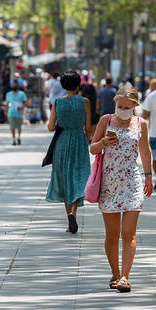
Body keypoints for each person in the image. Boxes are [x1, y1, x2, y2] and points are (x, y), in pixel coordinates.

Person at [91, 85, 153, 292]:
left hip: (132, 183)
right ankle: (115, 273)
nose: (123, 110)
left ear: (135, 106)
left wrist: (149, 176)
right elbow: (92, 148)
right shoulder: (106, 120)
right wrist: (103, 142)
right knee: (112, 234)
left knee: (129, 233)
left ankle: (125, 277)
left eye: (127, 107)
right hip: (109, 184)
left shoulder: (141, 123)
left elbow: (145, 152)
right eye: (120, 106)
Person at [46, 71, 92, 234]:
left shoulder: (57, 103)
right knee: (80, 176)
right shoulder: (85, 102)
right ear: (78, 84)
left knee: (65, 179)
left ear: (63, 85)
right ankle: (74, 211)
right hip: (79, 141)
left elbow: (51, 127)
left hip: (62, 142)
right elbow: (88, 128)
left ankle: (69, 219)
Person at [4, 80, 29, 145]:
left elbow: (25, 102)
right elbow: (7, 103)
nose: (14, 86)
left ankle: (19, 137)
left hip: (19, 114)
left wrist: (22, 108)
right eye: (13, 85)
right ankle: (13, 139)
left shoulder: (22, 94)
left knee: (19, 127)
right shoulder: (8, 94)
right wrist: (5, 110)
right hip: (11, 113)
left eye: (15, 85)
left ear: (18, 86)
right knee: (12, 127)